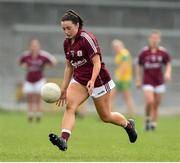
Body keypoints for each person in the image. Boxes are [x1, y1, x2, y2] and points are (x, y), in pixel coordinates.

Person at [49, 10, 137, 151]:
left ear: (77, 25)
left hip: (99, 80)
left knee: (106, 116)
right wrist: (64, 88)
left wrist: (92, 80)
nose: (66, 31)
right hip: (79, 81)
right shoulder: (67, 43)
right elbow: (68, 67)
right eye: (63, 29)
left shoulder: (86, 39)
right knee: (70, 106)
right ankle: (63, 140)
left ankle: (128, 125)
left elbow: (97, 62)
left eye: (69, 28)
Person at [136, 30, 172, 131]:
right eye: (153, 38)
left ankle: (153, 124)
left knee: (156, 104)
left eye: (156, 38)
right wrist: (138, 80)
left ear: (159, 40)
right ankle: (147, 119)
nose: (155, 40)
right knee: (150, 101)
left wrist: (168, 73)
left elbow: (168, 63)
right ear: (150, 39)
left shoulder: (163, 52)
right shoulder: (144, 52)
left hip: (159, 82)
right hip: (148, 81)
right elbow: (139, 65)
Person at [19, 39, 57, 122]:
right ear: (30, 46)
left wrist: (47, 66)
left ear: (38, 46)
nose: (34, 47)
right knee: (30, 98)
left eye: (35, 46)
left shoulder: (43, 55)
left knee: (39, 98)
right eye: (32, 46)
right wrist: (24, 66)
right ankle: (30, 115)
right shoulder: (26, 55)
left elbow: (53, 61)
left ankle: (39, 115)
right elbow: (21, 62)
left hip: (39, 79)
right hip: (29, 79)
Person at [111, 39, 135, 118]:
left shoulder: (124, 54)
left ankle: (131, 114)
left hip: (124, 79)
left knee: (127, 97)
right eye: (114, 47)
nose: (115, 48)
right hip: (120, 79)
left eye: (116, 46)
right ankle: (111, 114)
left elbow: (125, 66)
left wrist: (118, 76)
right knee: (111, 96)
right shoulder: (119, 54)